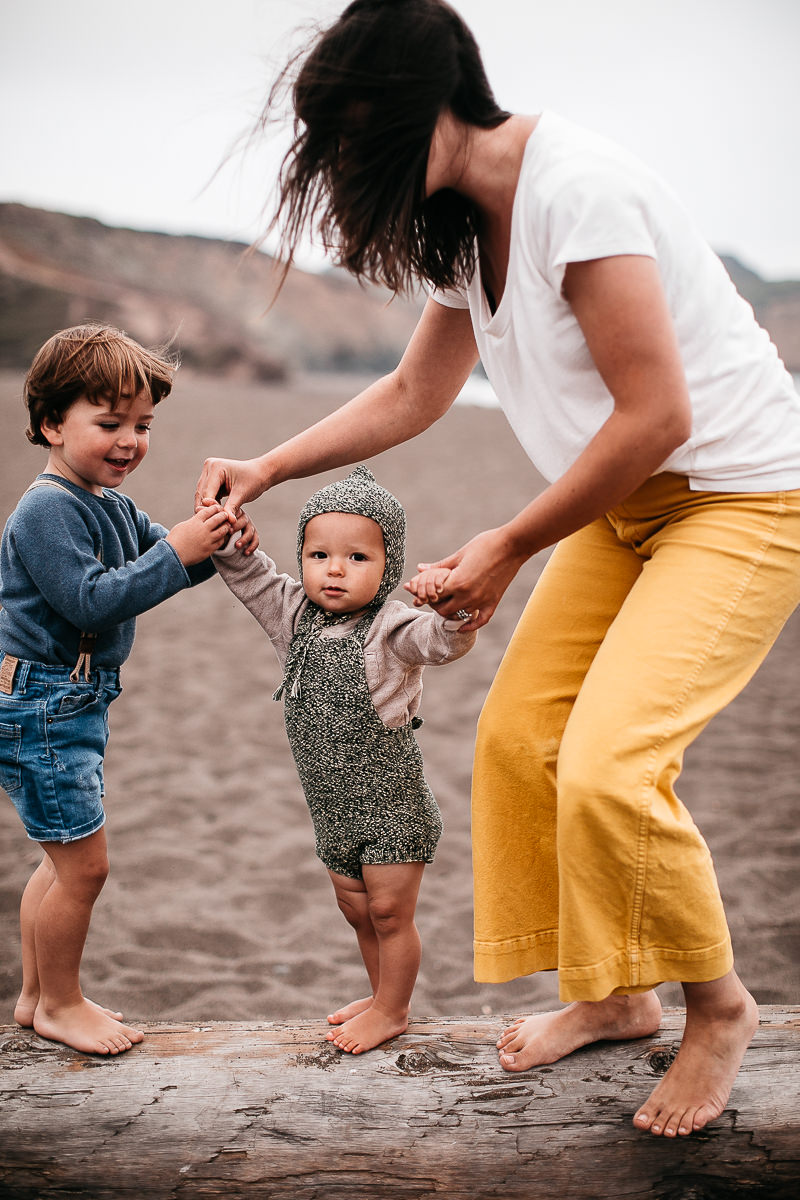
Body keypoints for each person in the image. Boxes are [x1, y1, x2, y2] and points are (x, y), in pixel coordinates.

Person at [195, 0, 800, 1135]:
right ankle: (613, 996)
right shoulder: (465, 221)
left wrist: (511, 544)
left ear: (422, 105)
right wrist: (269, 465)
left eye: (354, 140)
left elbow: (657, 413)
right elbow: (415, 392)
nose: (345, 172)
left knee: (611, 765)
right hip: (620, 506)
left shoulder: (579, 190)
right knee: (522, 743)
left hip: (741, 498)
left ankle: (716, 1008)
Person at [0, 323, 254, 1055]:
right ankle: (62, 1002)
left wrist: (214, 539)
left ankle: (34, 996)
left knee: (59, 859)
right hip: (41, 704)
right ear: (51, 422)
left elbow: (165, 557)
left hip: (68, 702)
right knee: (85, 866)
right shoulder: (48, 508)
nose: (130, 441)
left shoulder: (107, 502)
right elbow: (92, 599)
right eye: (109, 423)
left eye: (142, 425)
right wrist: (178, 551)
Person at [211, 464, 475, 1055]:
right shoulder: (295, 616)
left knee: (388, 912)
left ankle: (393, 1010)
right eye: (318, 554)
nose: (334, 570)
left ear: (389, 568)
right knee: (356, 910)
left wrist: (455, 610)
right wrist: (233, 539)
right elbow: (251, 578)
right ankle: (381, 992)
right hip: (332, 810)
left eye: (357, 558)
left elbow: (441, 640)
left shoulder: (391, 628)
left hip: (391, 807)